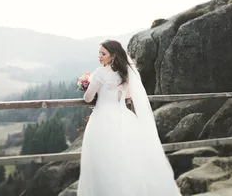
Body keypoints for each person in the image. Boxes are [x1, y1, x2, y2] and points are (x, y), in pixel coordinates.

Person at [77, 39, 182, 196]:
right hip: (124, 118)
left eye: (103, 53)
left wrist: (88, 85)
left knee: (102, 161)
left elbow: (87, 98)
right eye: (99, 52)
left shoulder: (99, 73)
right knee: (125, 160)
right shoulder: (125, 73)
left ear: (113, 55)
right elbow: (129, 95)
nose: (99, 56)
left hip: (102, 120)